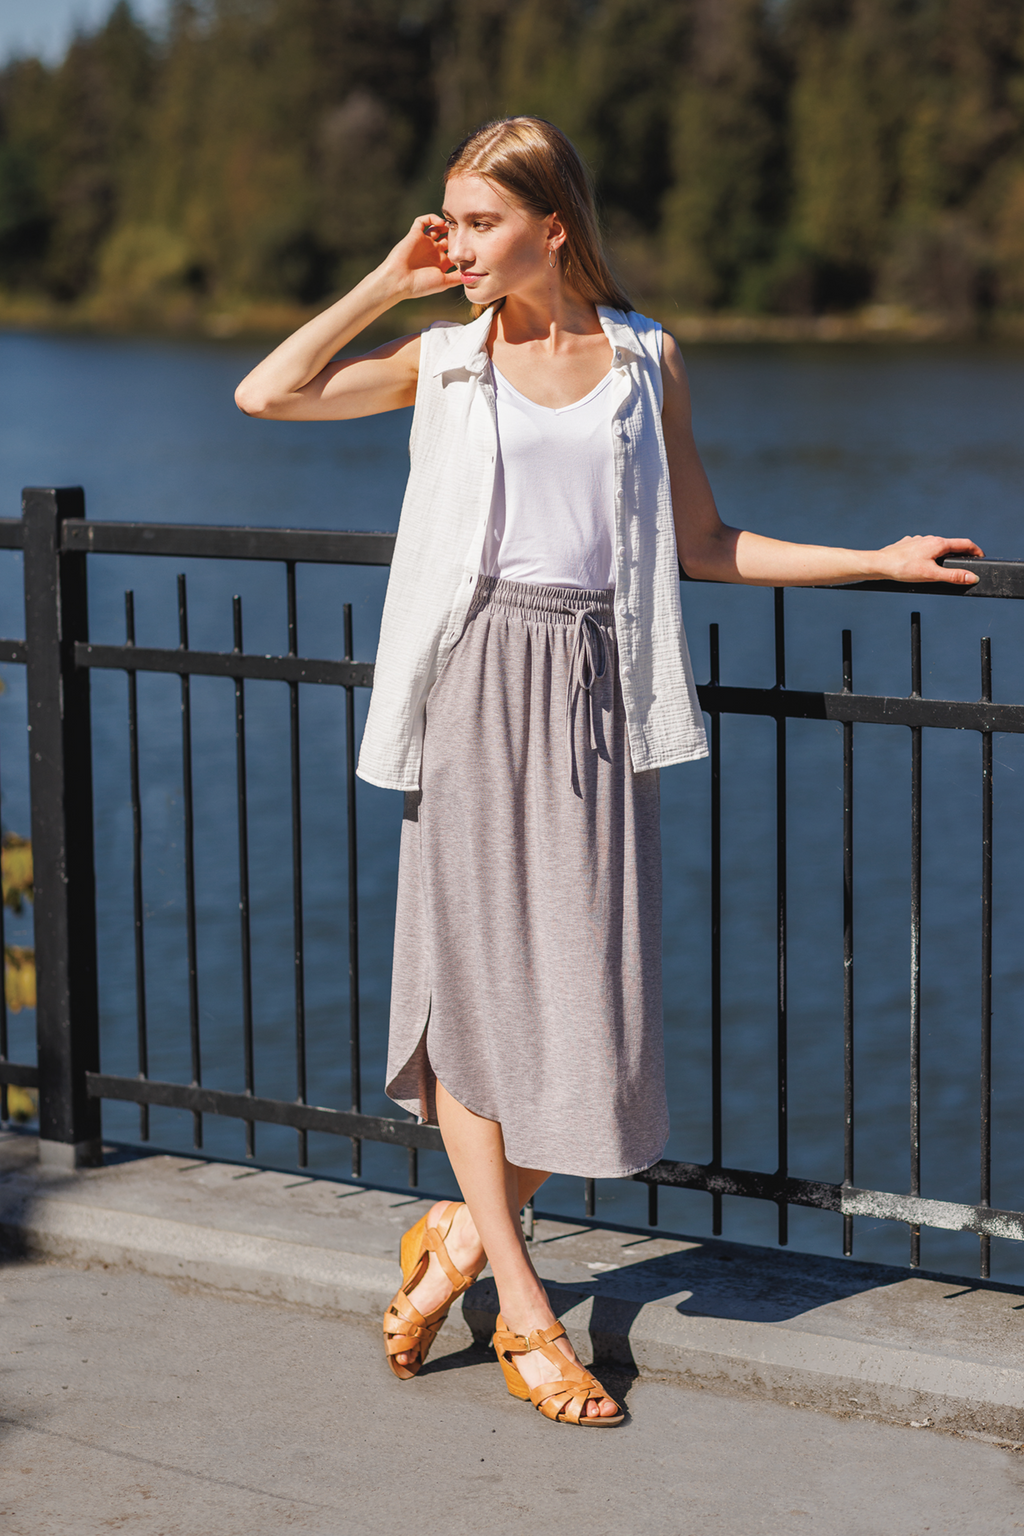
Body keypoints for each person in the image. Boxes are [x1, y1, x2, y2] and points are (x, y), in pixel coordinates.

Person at [235, 116, 982, 1427]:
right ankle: (525, 1312)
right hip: (471, 687)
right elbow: (272, 394)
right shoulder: (450, 358)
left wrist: (872, 559)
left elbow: (702, 541)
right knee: (470, 1001)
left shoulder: (645, 361)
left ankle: (458, 1242)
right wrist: (384, 281)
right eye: (450, 222)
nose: (456, 244)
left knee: (592, 1021)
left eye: (477, 222)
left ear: (553, 227)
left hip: (590, 695)